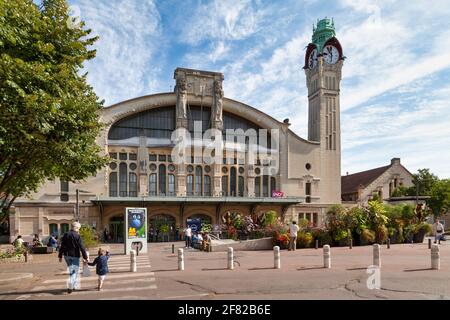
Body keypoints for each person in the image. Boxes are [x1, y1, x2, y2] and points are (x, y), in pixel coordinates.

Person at [58, 221, 88, 294]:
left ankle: (73, 285)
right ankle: (71, 284)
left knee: (72, 270)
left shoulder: (65, 234)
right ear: (77, 228)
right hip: (75, 256)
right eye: (79, 229)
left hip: (66, 256)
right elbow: (82, 247)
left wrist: (60, 256)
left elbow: (62, 246)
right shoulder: (77, 236)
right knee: (74, 271)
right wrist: (85, 257)